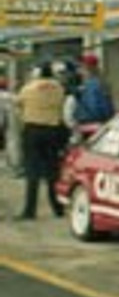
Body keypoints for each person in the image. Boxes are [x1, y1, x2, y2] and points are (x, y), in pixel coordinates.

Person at [15, 63, 67, 220]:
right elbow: (62, 105)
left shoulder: (28, 88)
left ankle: (30, 210)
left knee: (32, 171)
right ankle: (57, 208)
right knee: (53, 171)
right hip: (53, 131)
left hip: (33, 131)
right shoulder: (59, 88)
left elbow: (19, 104)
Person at [74, 53, 114, 124]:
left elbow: (93, 106)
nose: (78, 69)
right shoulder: (101, 81)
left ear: (86, 67)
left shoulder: (92, 84)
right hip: (101, 121)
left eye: (80, 66)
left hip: (91, 123)